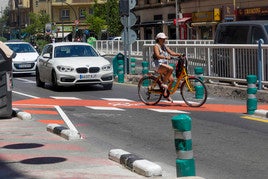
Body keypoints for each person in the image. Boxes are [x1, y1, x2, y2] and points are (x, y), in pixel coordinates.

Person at [152, 32, 184, 102]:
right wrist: (166, 57)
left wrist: (180, 54)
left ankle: (167, 95)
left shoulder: (164, 46)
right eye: (163, 39)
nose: (164, 40)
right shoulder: (156, 46)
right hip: (158, 65)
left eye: (164, 39)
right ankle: (163, 83)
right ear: (159, 39)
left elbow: (171, 53)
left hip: (164, 65)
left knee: (172, 80)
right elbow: (157, 55)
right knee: (170, 68)